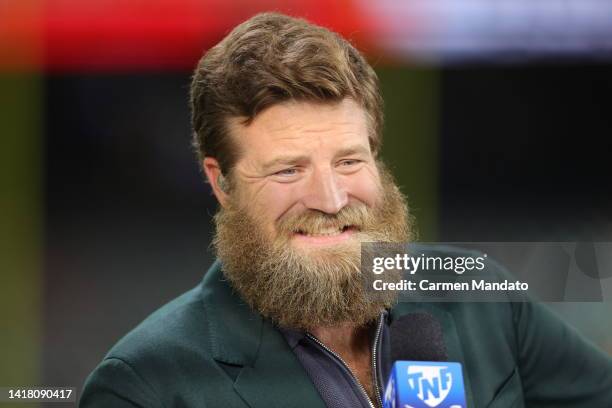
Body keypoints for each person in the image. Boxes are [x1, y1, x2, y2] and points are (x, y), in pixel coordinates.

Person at [80, 12, 612, 408]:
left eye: (349, 161)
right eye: (289, 170)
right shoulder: (144, 383)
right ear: (221, 183)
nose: (332, 200)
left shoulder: (480, 295)